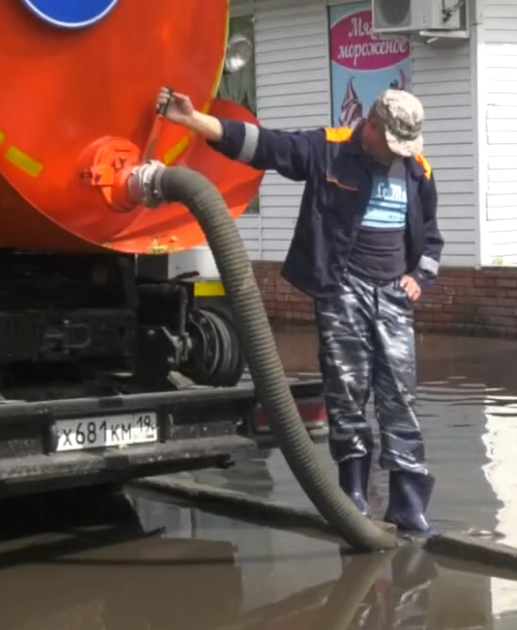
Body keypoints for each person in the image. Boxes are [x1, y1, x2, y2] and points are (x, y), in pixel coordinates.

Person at [156, 86, 443, 534]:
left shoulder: (416, 170)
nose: (397, 156)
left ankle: (408, 502)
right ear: (370, 126)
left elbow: (430, 236)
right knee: (346, 393)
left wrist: (420, 277)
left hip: (394, 295)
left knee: (400, 397)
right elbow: (262, 146)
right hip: (342, 287)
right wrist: (194, 121)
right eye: (392, 146)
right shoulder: (325, 150)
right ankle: (351, 496)